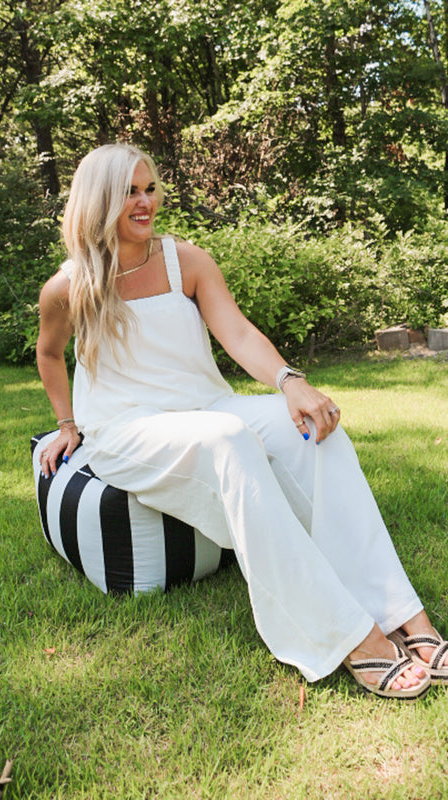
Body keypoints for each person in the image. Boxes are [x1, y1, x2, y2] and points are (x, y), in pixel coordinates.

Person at [36, 142, 448, 699]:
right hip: (126, 431)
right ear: (99, 199)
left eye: (150, 188)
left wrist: (290, 383)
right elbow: (48, 353)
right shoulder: (67, 286)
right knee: (229, 439)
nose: (145, 202)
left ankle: (404, 613)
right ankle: (347, 636)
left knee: (315, 431)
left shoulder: (187, 260)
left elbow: (237, 332)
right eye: (129, 191)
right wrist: (67, 424)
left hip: (207, 405)